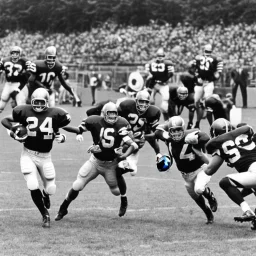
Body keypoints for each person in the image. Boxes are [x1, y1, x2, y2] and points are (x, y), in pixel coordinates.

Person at [54, 102, 138, 221]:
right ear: (104, 114)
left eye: (115, 114)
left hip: (111, 164)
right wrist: (62, 126)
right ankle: (64, 207)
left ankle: (123, 199)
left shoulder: (122, 123)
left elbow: (131, 142)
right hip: (95, 162)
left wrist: (123, 152)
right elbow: (79, 129)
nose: (112, 117)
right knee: (77, 184)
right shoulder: (94, 121)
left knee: (116, 191)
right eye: (110, 114)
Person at [1, 88, 71, 228]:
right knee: (32, 184)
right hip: (29, 154)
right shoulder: (24, 111)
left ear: (47, 102)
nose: (38, 106)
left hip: (46, 157)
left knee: (51, 189)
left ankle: (45, 195)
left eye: (41, 102)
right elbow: (5, 120)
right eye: (36, 102)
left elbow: (57, 130)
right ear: (31, 101)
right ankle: (44, 214)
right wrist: (15, 132)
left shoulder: (55, 114)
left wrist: (62, 137)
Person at [194, 118, 256, 230]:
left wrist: (198, 152)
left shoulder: (220, 146)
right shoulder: (245, 135)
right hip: (252, 173)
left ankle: (247, 211)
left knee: (225, 182)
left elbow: (209, 170)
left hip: (253, 173)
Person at [155, 116, 218, 224]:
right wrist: (165, 163)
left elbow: (205, 137)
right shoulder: (169, 140)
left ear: (183, 129)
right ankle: (208, 214)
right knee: (195, 196)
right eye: (173, 130)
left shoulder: (190, 135)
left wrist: (196, 138)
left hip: (201, 169)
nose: (176, 133)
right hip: (186, 175)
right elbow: (157, 133)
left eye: (179, 129)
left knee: (199, 188)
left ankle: (211, 197)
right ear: (169, 131)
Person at [191, 44, 223, 128]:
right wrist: (198, 77)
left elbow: (218, 73)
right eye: (207, 51)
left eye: (208, 52)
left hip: (208, 82)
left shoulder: (200, 57)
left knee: (207, 100)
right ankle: (197, 120)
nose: (207, 53)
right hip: (200, 83)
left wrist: (213, 77)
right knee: (196, 102)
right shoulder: (214, 58)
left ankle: (205, 112)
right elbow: (195, 69)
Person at [145, 48, 175, 121]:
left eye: (161, 56)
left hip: (163, 85)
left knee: (165, 100)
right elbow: (147, 73)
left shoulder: (168, 63)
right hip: (154, 84)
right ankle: (151, 116)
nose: (160, 58)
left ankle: (166, 119)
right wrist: (149, 76)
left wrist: (166, 78)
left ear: (164, 56)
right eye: (159, 56)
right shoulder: (151, 63)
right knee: (150, 100)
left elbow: (171, 73)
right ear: (156, 56)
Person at [0, 46, 30, 113]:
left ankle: (21, 121)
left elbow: (28, 75)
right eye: (13, 53)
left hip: (18, 84)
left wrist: (19, 88)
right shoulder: (5, 60)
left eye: (16, 53)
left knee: (20, 104)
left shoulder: (24, 61)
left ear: (20, 54)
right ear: (10, 53)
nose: (14, 55)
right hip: (8, 84)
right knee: (3, 100)